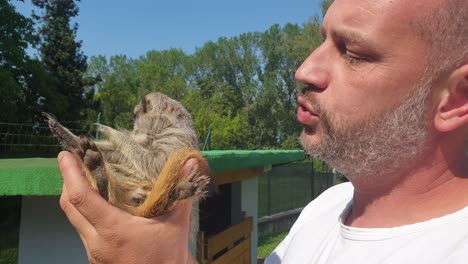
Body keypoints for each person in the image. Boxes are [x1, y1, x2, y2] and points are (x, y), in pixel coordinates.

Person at [57, 0, 467, 263]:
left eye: (353, 53)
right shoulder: (326, 207)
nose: (304, 70)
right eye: (321, 40)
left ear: (456, 98)